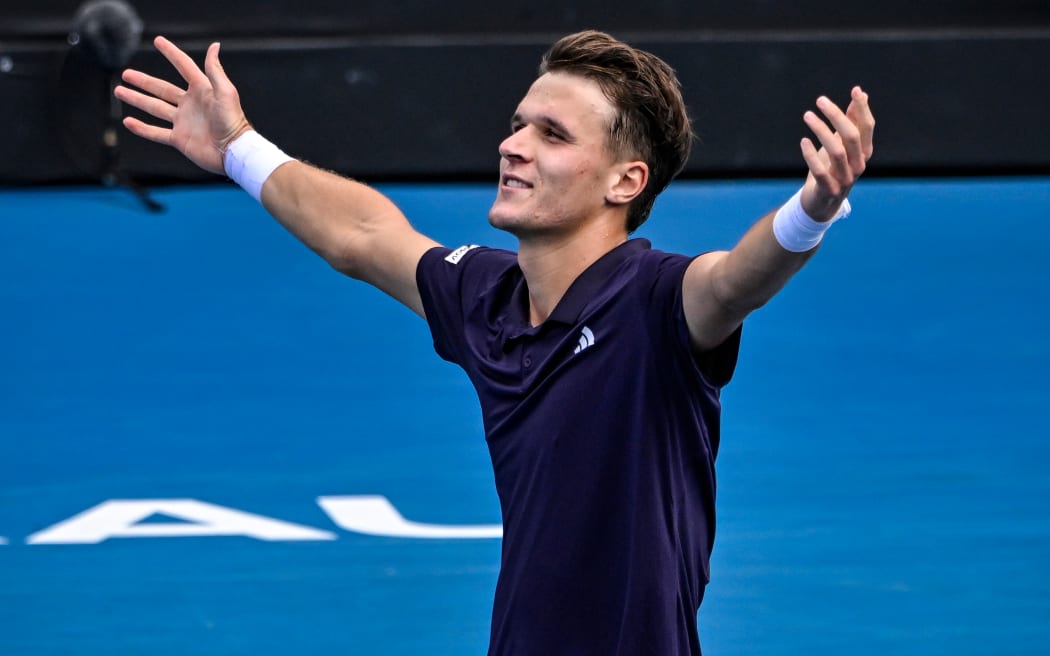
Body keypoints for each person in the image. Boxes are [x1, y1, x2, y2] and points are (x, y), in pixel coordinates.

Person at [115, 30, 874, 655]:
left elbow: (738, 279)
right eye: (518, 124)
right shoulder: (485, 297)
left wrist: (814, 209)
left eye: (552, 135)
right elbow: (362, 235)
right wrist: (240, 148)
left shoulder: (656, 304)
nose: (514, 145)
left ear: (624, 182)